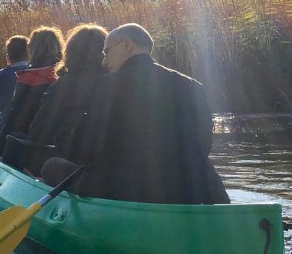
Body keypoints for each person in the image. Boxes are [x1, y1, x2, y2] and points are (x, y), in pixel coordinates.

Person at [41, 23, 228, 204]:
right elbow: (204, 141)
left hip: (130, 190)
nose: (104, 62)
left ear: (127, 45)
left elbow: (80, 149)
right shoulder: (191, 85)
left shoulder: (108, 85)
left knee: (51, 166)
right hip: (195, 190)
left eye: (107, 52)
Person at [7, 24, 108, 172]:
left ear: (70, 51)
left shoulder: (62, 85)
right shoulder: (114, 81)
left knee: (15, 140)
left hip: (72, 160)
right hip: (105, 160)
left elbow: (39, 132)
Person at [0, 26, 64, 157]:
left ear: (32, 49)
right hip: (57, 144)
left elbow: (14, 118)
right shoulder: (64, 74)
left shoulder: (30, 77)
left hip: (30, 143)